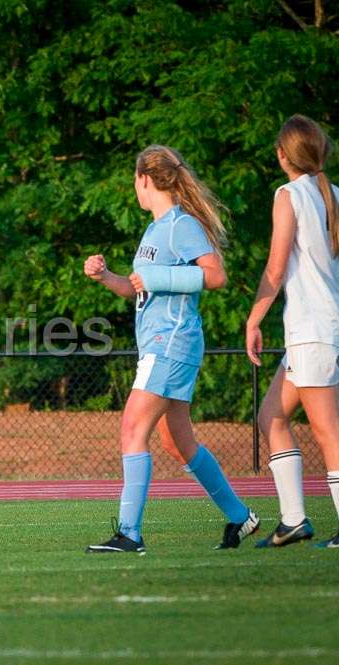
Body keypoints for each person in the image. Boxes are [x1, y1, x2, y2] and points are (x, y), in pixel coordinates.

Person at [83, 144, 259, 553]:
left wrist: (160, 277)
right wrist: (107, 275)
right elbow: (138, 288)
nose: (135, 188)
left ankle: (129, 533)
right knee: (175, 442)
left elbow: (215, 276)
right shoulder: (154, 228)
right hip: (159, 344)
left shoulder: (181, 224)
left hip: (172, 341)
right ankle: (239, 518)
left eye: (135, 180)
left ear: (144, 179)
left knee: (131, 429)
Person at [246, 114, 339, 549]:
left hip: (312, 331)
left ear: (283, 154)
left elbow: (276, 266)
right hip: (319, 330)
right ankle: (294, 520)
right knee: (271, 416)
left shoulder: (288, 194)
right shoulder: (334, 194)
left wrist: (254, 318)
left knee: (329, 433)